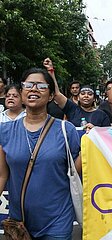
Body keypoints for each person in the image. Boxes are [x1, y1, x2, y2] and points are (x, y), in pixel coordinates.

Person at [0, 67, 81, 239]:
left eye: (41, 86)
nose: (34, 89)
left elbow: (76, 170)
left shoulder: (66, 130)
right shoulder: (5, 131)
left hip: (57, 221)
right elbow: (1, 176)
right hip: (19, 222)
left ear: (51, 95)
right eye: (28, 85)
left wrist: (93, 141)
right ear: (22, 92)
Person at [43, 58, 110, 130]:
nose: (86, 96)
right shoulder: (72, 109)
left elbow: (107, 136)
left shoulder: (102, 115)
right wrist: (50, 70)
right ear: (78, 97)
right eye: (83, 93)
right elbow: (57, 94)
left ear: (94, 98)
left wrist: (95, 130)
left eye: (90, 94)